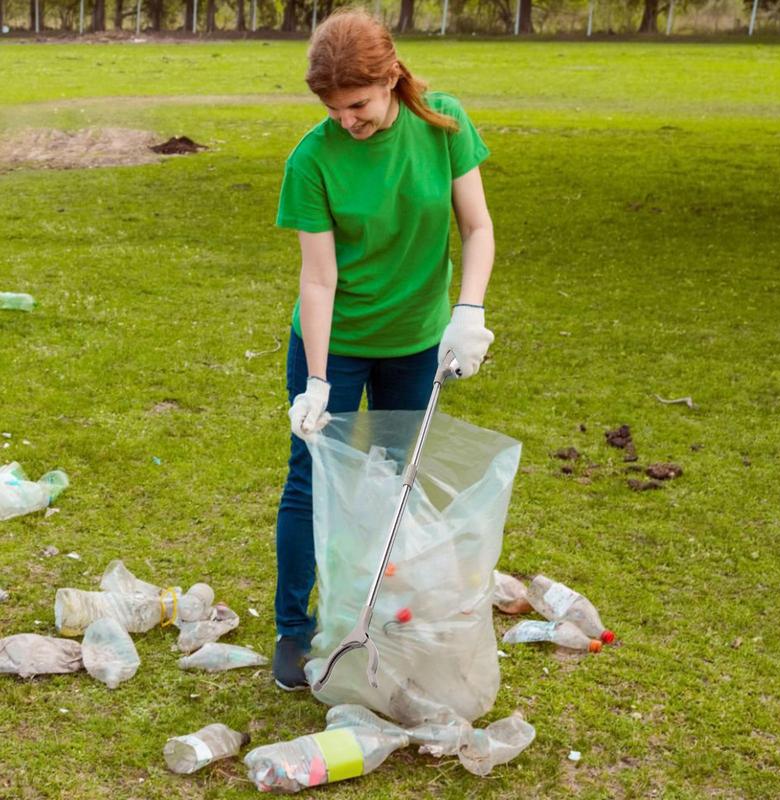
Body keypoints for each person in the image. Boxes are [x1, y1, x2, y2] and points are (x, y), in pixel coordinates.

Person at [272, 8, 496, 691]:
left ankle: (379, 616)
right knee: (313, 481)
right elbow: (319, 278)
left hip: (418, 340)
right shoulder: (312, 160)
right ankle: (293, 629)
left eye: (359, 106)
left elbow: (477, 228)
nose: (348, 121)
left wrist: (468, 310)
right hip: (335, 343)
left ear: (391, 77)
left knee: (399, 481)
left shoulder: (443, 124)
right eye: (334, 110)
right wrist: (316, 381)